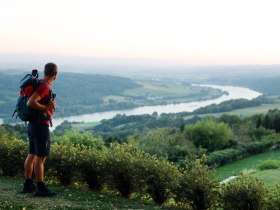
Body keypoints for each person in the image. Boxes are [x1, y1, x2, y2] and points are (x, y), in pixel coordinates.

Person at [21, 62, 58, 196]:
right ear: (55, 74)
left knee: (31, 155)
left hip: (32, 124)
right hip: (40, 125)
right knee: (40, 157)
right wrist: (47, 107)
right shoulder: (44, 87)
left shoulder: (40, 82)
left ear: (44, 72)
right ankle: (40, 188)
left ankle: (28, 184)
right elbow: (31, 102)